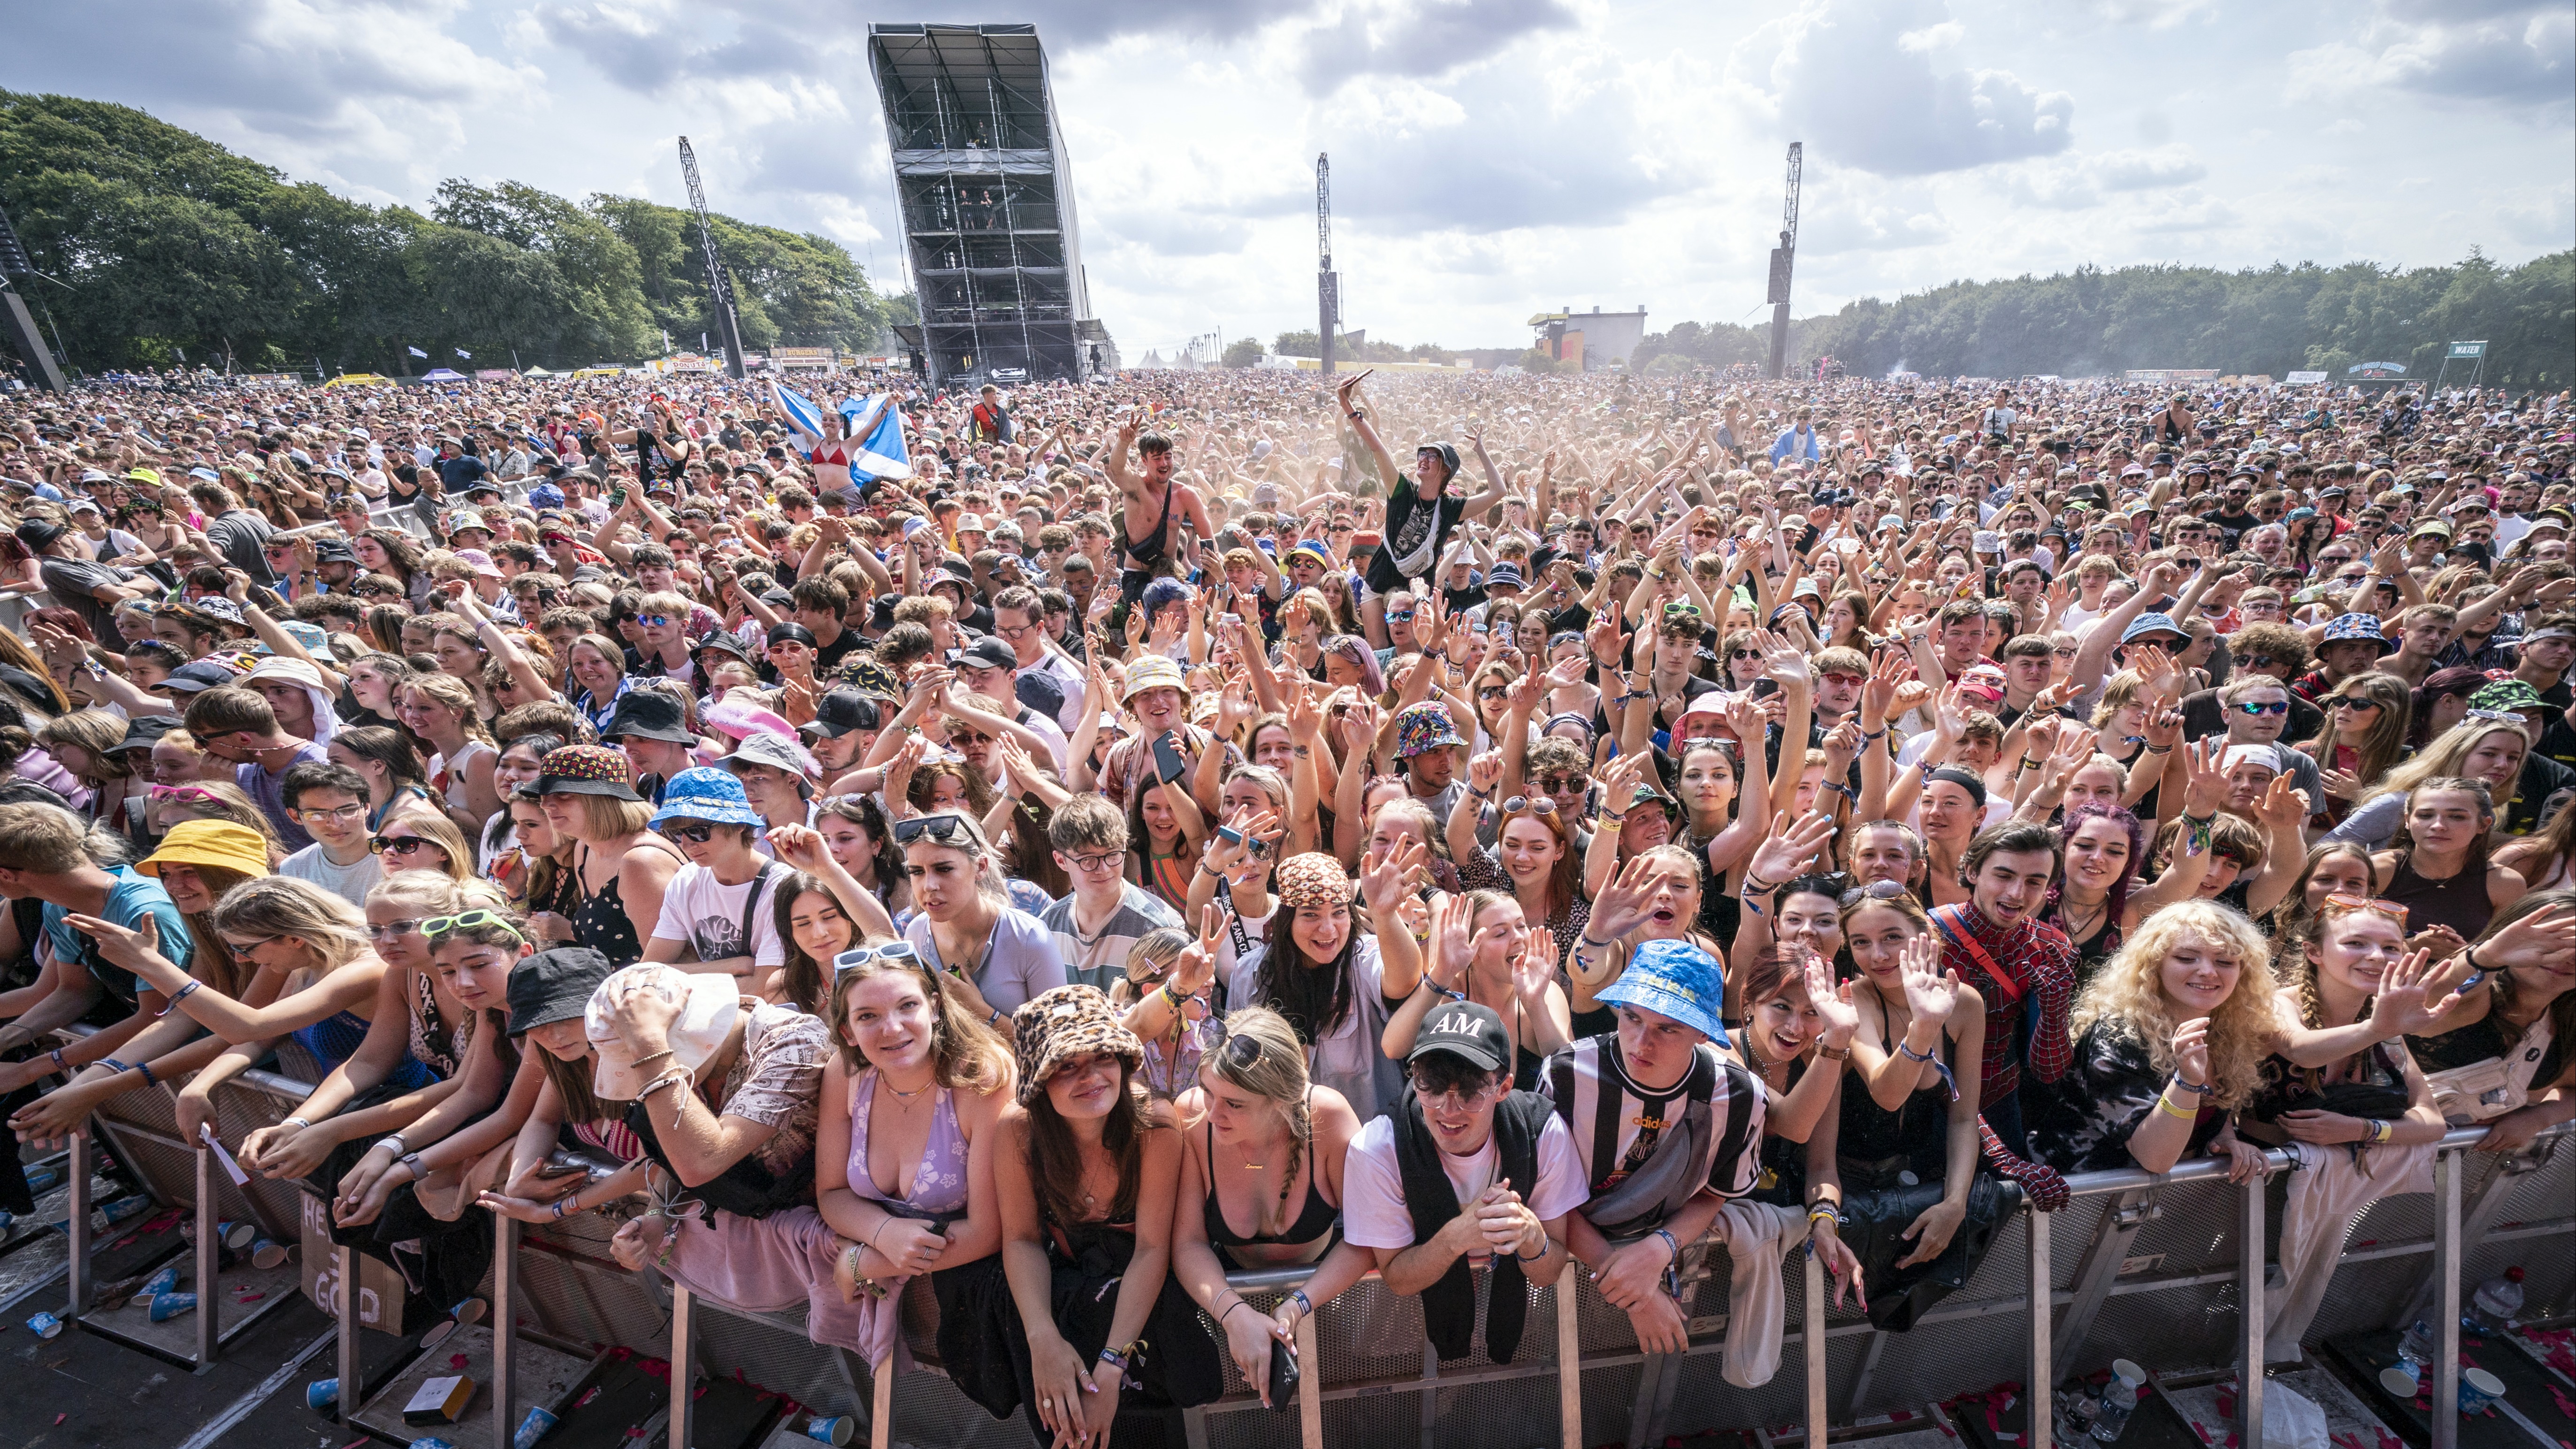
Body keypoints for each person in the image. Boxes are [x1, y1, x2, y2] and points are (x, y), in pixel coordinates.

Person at [944, 985, 1223, 1448]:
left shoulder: (1153, 1124)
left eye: (1103, 1057)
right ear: (1037, 1081)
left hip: (1145, 1313)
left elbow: (1152, 1248)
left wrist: (1112, 1367)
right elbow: (1021, 1240)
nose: (1091, 1076)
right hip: (1062, 1303)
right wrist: (1043, 1340)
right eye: (1066, 1065)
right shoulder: (1017, 1129)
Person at [1542, 940, 1767, 1360]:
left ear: (1703, 1032)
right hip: (1572, 1255)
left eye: (1668, 1028)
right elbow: (1549, 1199)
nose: (1641, 1042)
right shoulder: (1566, 1073)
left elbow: (1716, 1191)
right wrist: (1635, 1291)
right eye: (1631, 1016)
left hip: (1670, 1250)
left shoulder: (1740, 1095)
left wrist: (1658, 1248)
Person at [1337, 997, 1585, 1365]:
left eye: (1470, 1092)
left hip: (1512, 1316)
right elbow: (1398, 1279)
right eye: (1431, 1087)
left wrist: (1533, 1238)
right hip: (1406, 1315)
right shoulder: (1377, 1146)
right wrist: (1458, 1235)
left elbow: (1549, 1272)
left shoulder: (1543, 1131)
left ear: (1503, 1087)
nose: (1447, 1111)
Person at [814, 938, 1013, 1369]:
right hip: (907, 1302)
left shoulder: (983, 1081)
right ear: (847, 1030)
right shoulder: (845, 1073)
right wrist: (883, 1232)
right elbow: (830, 1193)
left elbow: (989, 1231)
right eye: (868, 1016)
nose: (892, 1028)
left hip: (971, 1309)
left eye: (907, 1006)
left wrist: (863, 1262)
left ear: (935, 1007)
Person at [1169, 1005, 1368, 1406]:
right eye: (1208, 1091)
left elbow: (1367, 1237)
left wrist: (1296, 1306)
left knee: (1337, 1407)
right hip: (1223, 1296)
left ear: (1282, 1100)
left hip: (1324, 1294)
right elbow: (1187, 1243)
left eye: (1235, 1104)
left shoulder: (1326, 1116)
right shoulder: (1191, 1115)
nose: (1213, 1112)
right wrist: (1234, 1313)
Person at [2029, 901, 2274, 1178]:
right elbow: (2155, 1159)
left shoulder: (2228, 1030)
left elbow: (2211, 1106)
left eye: (2225, 961)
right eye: (2186, 958)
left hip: (2158, 1205)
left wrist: (2226, 1136)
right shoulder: (2117, 1035)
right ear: (2154, 965)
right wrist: (2187, 1082)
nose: (2208, 971)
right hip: (2079, 1202)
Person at [1928, 821, 2073, 1160]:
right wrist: (1997, 1151)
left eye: (2034, 882)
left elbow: (2047, 1072)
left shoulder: (2051, 947)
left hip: (2001, 1103)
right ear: (1972, 871)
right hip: (1929, 1103)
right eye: (2004, 876)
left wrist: (2053, 1011)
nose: (2016, 893)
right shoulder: (1928, 936)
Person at [897, 811, 1064, 1033]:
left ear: (981, 867)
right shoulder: (917, 933)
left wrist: (982, 1012)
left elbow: (1056, 1039)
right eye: (917, 872)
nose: (929, 885)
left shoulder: (1029, 937)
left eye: (944, 869)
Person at [642, 766, 790, 984]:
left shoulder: (781, 887)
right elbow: (647, 973)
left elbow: (764, 988)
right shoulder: (686, 880)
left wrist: (681, 975)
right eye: (676, 833)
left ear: (739, 825)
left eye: (698, 831)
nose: (687, 844)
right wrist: (736, 966)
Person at [1041, 792, 1181, 994]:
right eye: (1087, 859)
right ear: (1061, 860)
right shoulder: (1047, 926)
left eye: (1113, 855)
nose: (1104, 869)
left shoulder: (1158, 927)